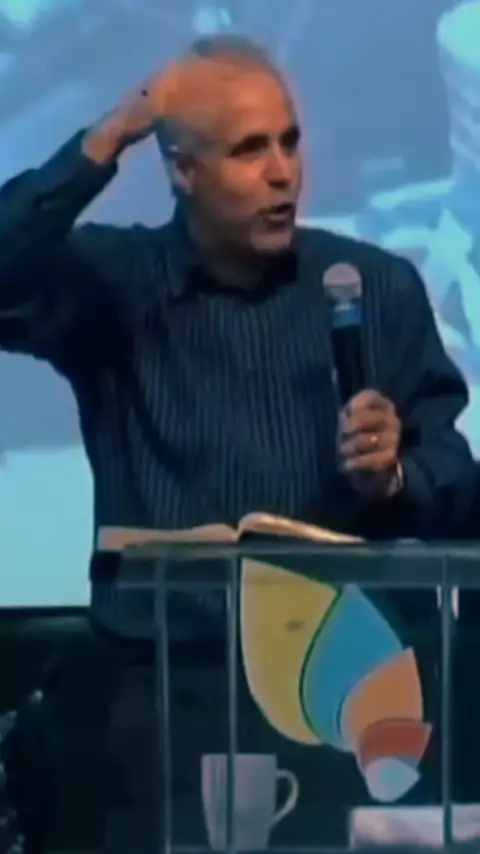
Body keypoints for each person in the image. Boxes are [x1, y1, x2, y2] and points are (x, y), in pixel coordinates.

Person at [0, 34, 474, 853]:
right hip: (158, 694)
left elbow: (458, 482)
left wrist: (398, 477)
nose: (283, 172)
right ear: (182, 170)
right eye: (250, 150)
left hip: (343, 694)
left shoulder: (375, 285)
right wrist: (109, 136)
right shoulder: (112, 281)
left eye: (290, 141)